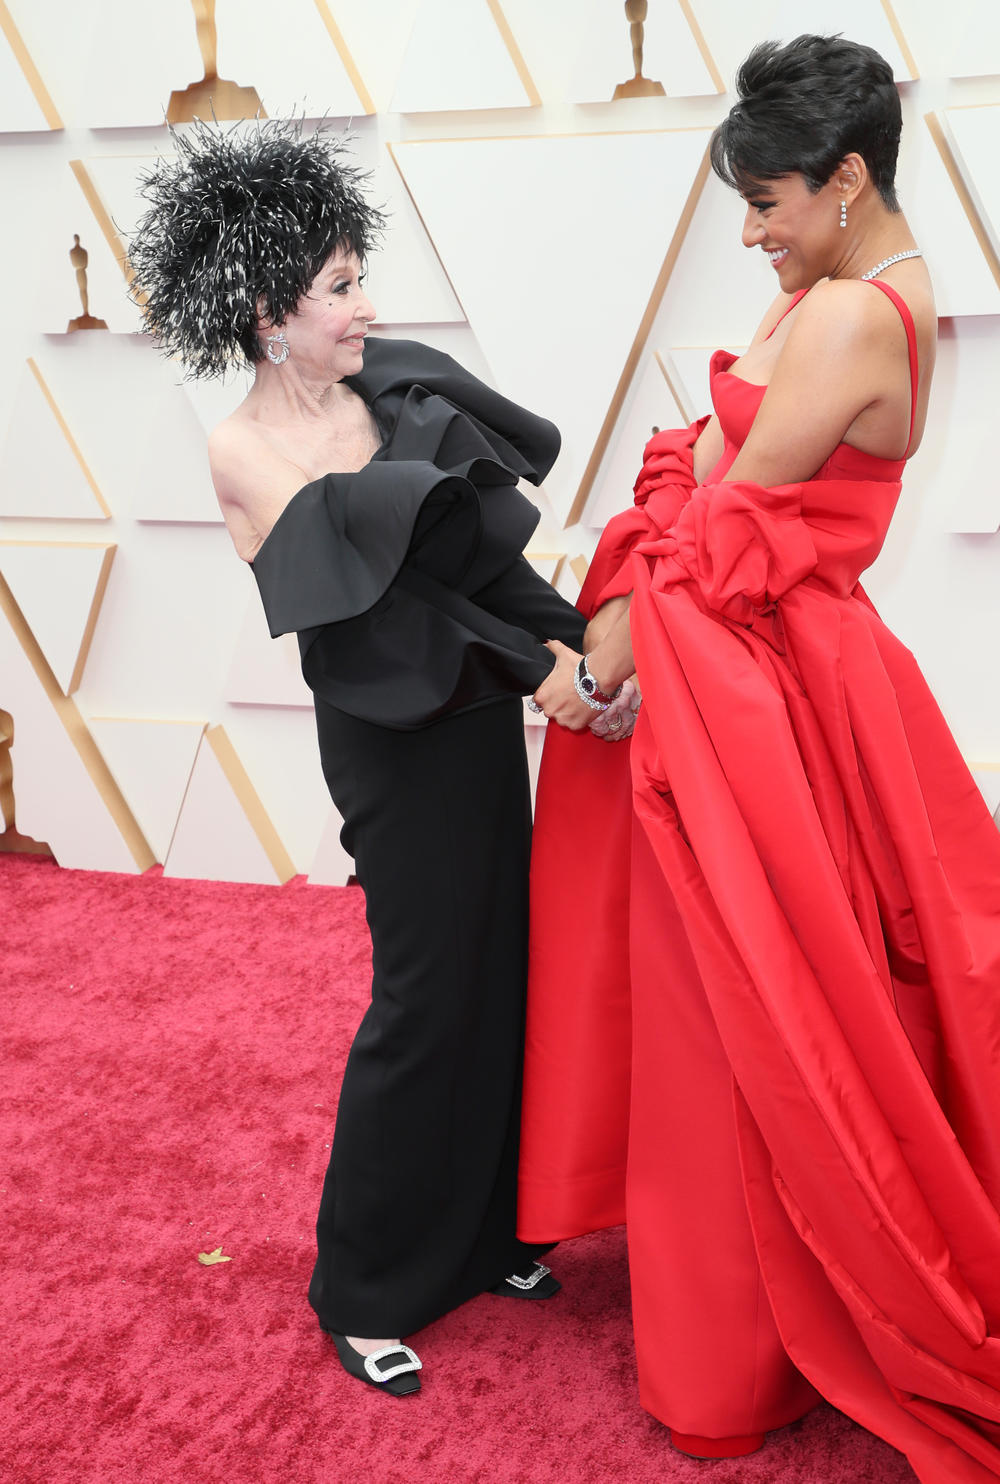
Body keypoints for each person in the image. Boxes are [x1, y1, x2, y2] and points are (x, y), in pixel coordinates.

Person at [519, 34, 1000, 1482]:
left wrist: (591, 669)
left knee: (749, 1013)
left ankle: (741, 1338)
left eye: (771, 201)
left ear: (847, 182)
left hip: (763, 692)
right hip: (769, 674)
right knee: (786, 1000)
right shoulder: (851, 284)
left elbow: (719, 524)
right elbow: (708, 486)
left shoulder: (856, 313)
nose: (753, 231)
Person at [127, 117, 588, 1396]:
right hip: (391, 736)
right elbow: (379, 611)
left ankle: (491, 1233)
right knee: (424, 993)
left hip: (482, 716)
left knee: (502, 970)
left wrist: (577, 637)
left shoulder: (399, 390)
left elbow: (479, 563)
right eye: (338, 286)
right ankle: (365, 1281)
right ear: (271, 310)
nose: (364, 305)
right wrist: (542, 669)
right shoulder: (244, 449)